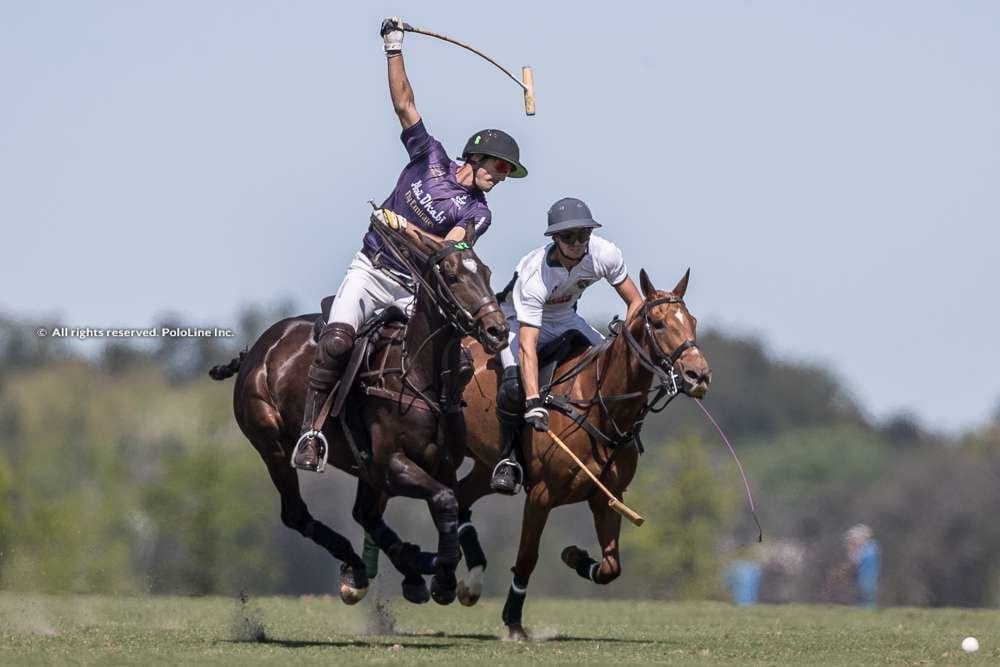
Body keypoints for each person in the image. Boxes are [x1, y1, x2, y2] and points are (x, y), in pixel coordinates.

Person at [293, 16, 528, 471]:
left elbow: (450, 251)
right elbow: (404, 103)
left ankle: (438, 439)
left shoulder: (477, 212)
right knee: (339, 341)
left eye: (506, 175)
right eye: (499, 168)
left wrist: (401, 226)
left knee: (455, 361)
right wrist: (394, 47)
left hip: (412, 289)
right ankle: (312, 432)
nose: (501, 178)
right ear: (477, 156)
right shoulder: (430, 157)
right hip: (371, 270)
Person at [490, 197, 644, 493]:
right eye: (567, 237)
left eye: (583, 235)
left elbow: (635, 302)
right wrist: (533, 401)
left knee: (612, 366)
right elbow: (527, 345)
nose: (576, 243)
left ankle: (618, 440)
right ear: (554, 239)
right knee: (513, 387)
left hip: (565, 317)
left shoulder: (605, 254)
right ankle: (507, 460)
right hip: (517, 321)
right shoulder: (535, 275)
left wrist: (628, 339)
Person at [845, 523, 880, 608]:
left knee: (868, 597)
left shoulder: (870, 548)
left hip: (868, 579)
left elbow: (856, 560)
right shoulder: (871, 547)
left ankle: (869, 611)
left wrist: (852, 548)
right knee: (863, 598)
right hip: (863, 578)